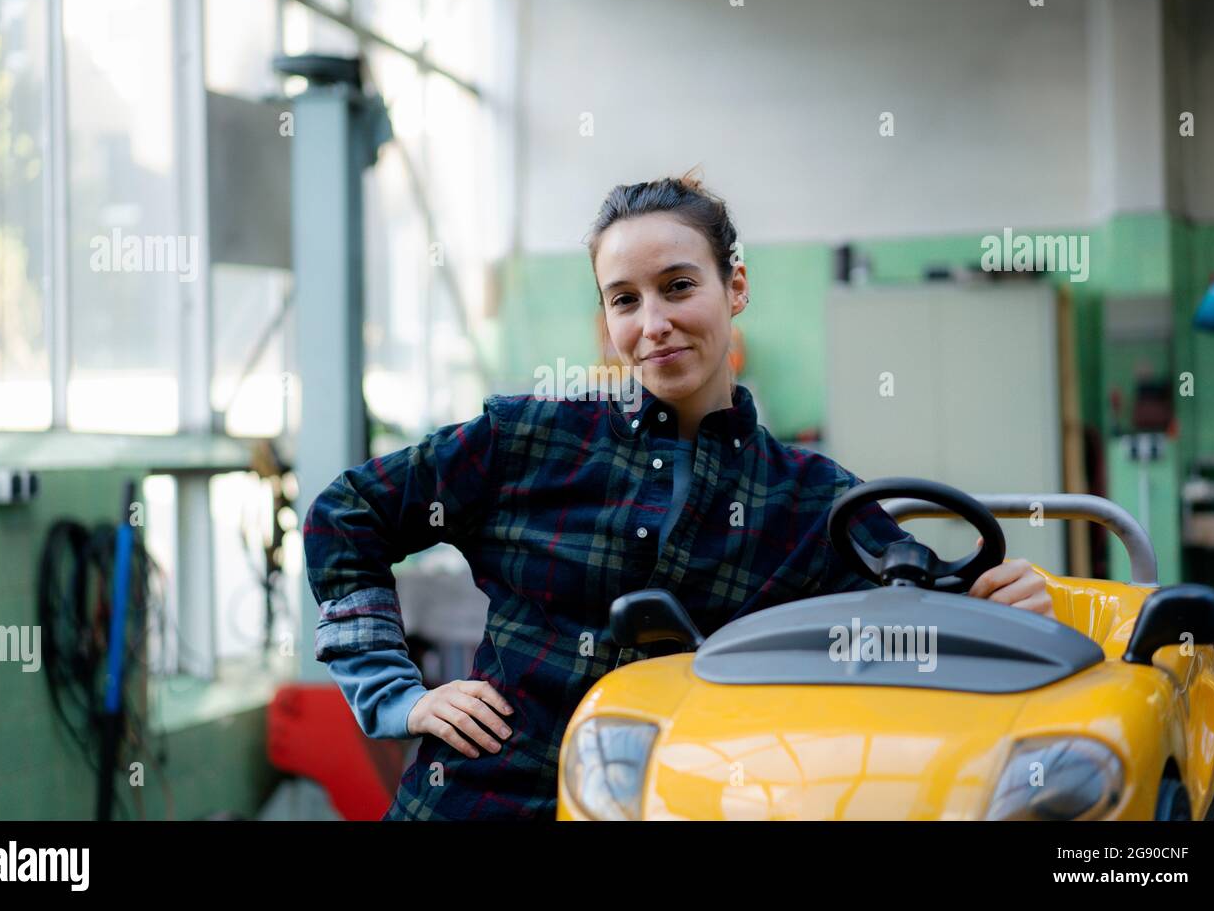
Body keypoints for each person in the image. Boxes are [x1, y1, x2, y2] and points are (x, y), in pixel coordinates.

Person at [303, 169, 1054, 821]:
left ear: (736, 285)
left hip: (684, 799)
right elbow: (345, 517)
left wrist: (999, 603)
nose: (653, 324)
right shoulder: (527, 439)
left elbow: (923, 605)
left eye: (678, 287)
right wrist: (397, 694)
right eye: (624, 300)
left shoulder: (814, 501)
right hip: (485, 794)